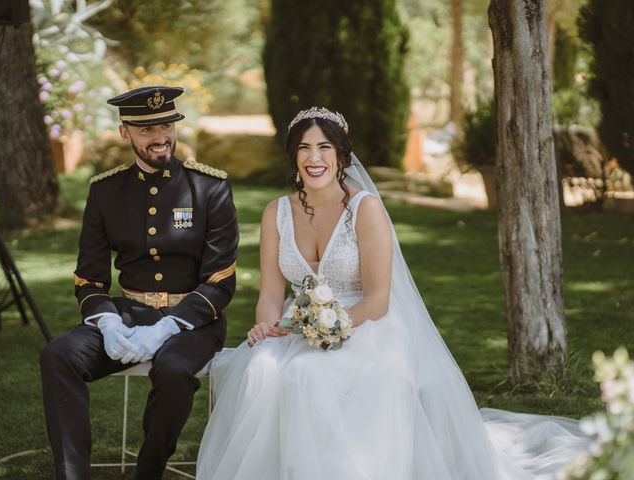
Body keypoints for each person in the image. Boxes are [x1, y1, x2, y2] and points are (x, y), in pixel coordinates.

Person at [195, 107, 589, 480]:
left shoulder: (363, 210)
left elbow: (378, 298)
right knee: (260, 369)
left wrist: (328, 329)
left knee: (306, 374)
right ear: (293, 157)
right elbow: (269, 292)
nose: (314, 158)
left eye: (324, 147)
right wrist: (266, 326)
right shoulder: (275, 213)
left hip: (365, 324)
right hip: (295, 323)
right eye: (304, 148)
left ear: (341, 156)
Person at [39, 85, 238, 480]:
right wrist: (107, 322)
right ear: (124, 133)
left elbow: (219, 281)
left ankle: (148, 472)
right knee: (57, 356)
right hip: (127, 312)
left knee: (174, 369)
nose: (160, 136)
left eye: (167, 125)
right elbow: (89, 278)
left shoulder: (209, 187)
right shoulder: (104, 191)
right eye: (147, 129)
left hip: (194, 321)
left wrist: (169, 325)